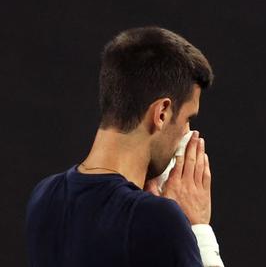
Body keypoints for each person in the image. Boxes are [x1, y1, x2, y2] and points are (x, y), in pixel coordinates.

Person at [25, 27, 225, 267]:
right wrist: (198, 228)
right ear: (161, 113)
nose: (188, 132)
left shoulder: (44, 196)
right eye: (187, 119)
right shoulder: (160, 220)